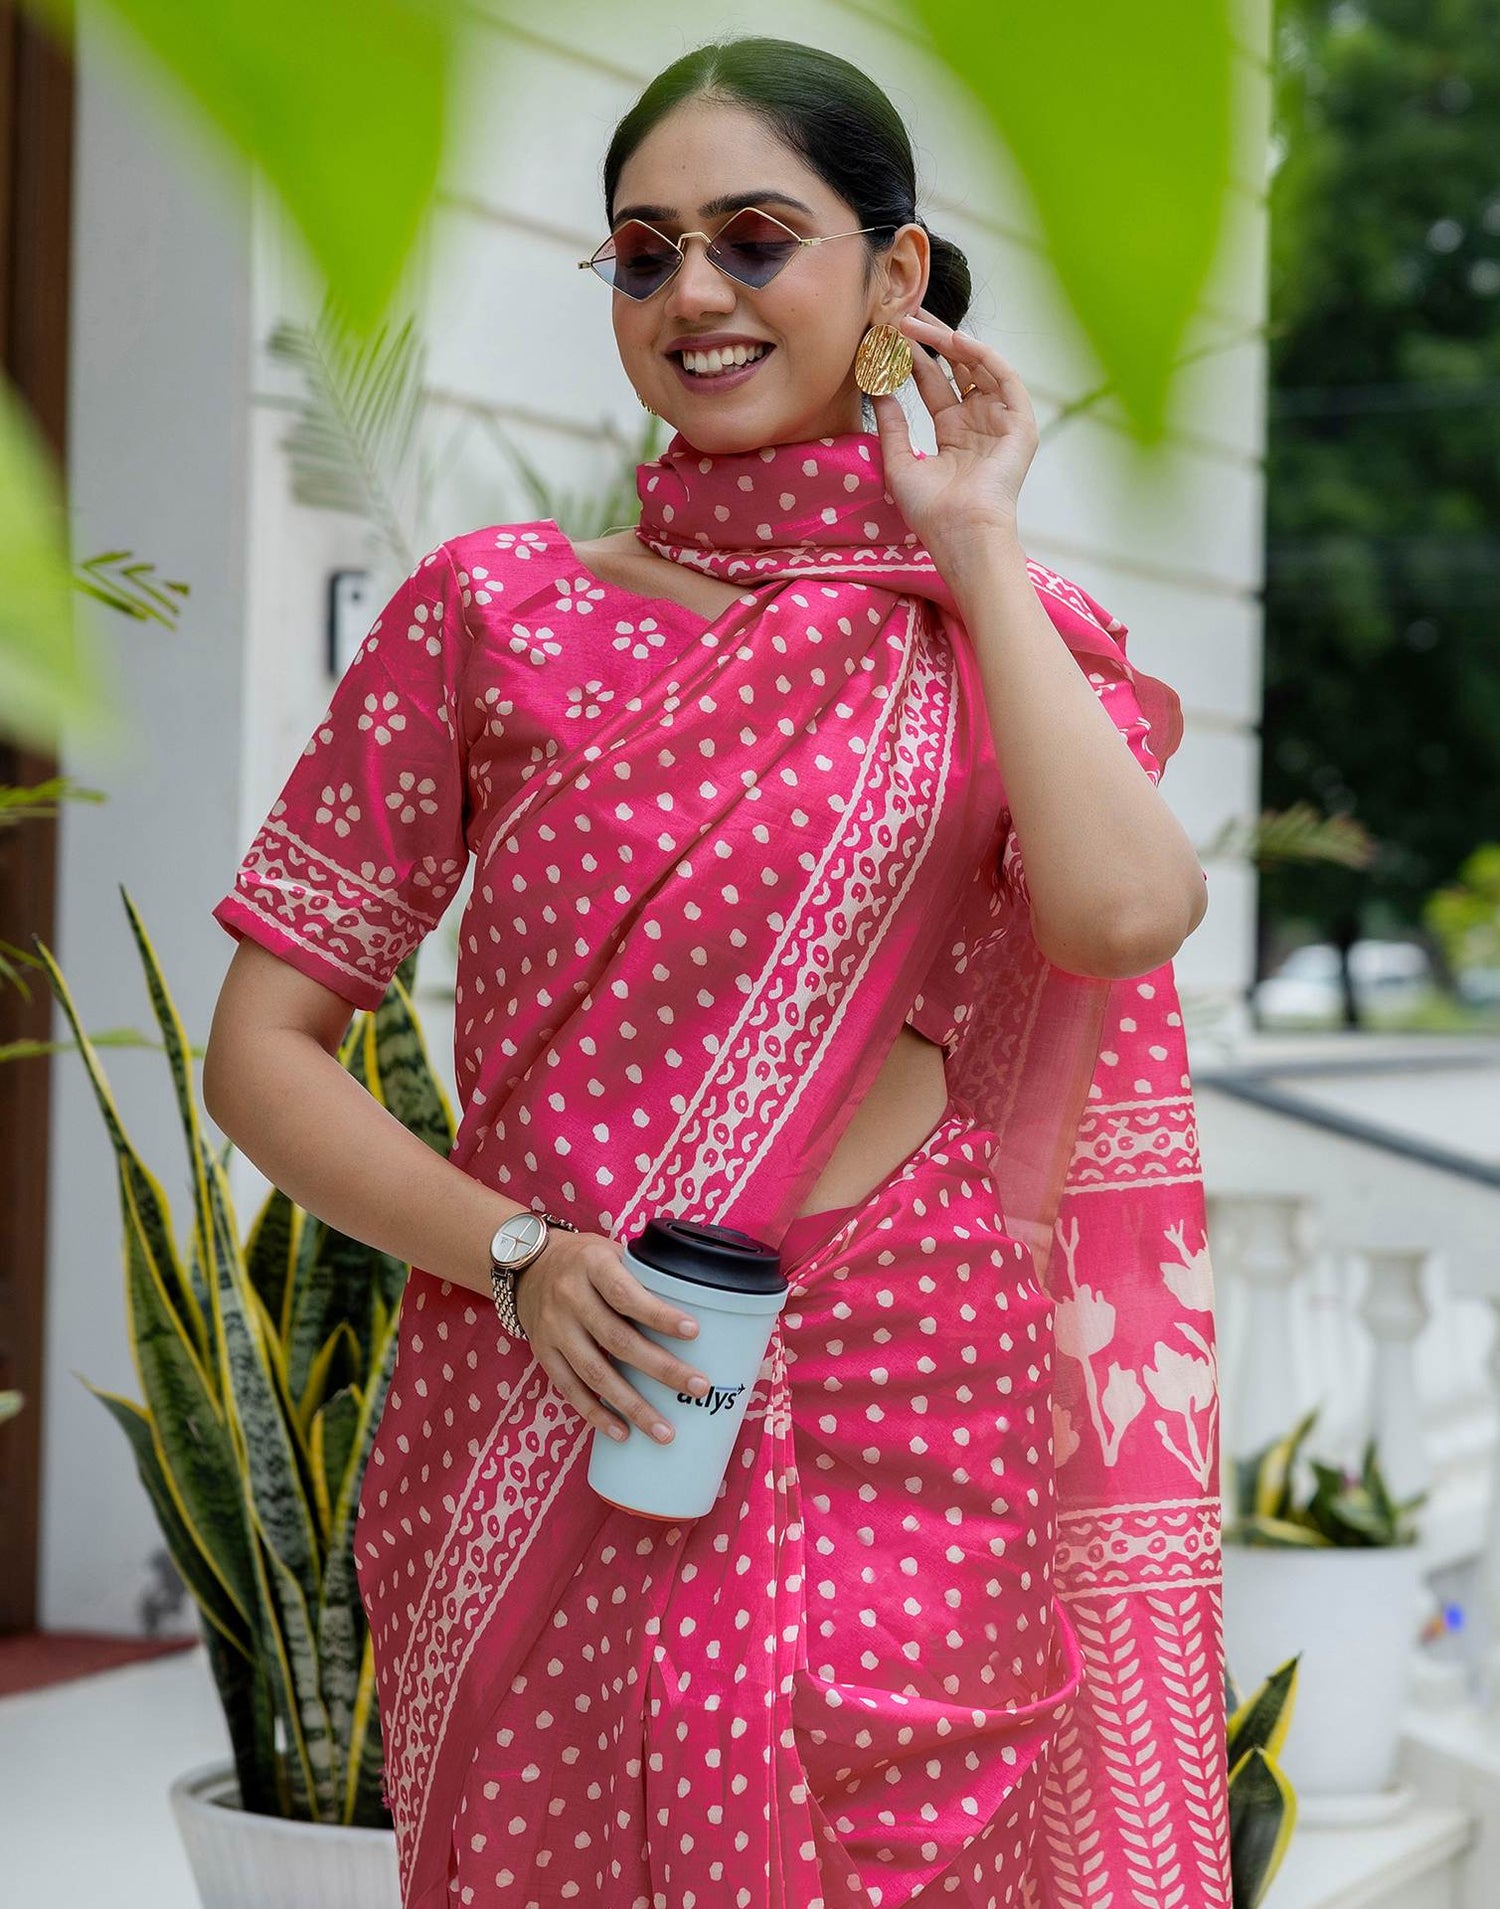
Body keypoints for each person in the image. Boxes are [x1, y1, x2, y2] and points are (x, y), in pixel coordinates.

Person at [203, 33, 1230, 1909]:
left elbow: (1123, 914)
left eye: (756, 239)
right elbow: (263, 1049)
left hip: (902, 1386)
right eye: (644, 250)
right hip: (565, 1382)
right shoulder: (494, 612)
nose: (694, 292)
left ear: (893, 276)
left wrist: (976, 536)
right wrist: (516, 1262)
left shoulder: (987, 640)